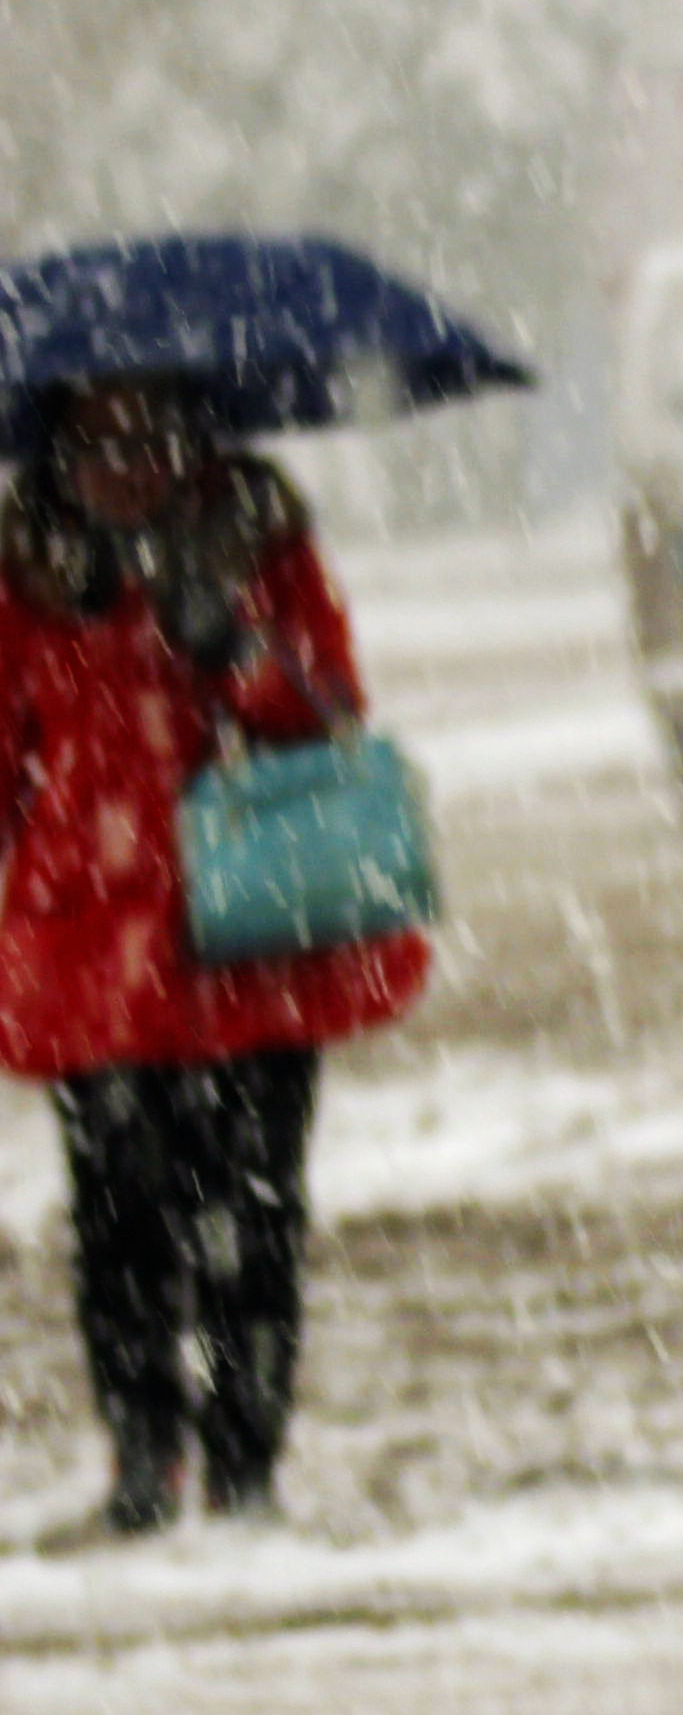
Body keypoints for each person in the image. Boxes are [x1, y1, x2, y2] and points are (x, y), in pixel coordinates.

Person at [0, 371, 426, 1537]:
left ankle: (244, 1466)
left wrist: (236, 647)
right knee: (118, 1222)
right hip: (93, 954)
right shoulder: (21, 571)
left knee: (254, 1215)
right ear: (59, 444)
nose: (126, 462)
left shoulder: (256, 541)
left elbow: (332, 707)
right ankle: (145, 1463)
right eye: (100, 437)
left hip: (253, 939)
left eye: (149, 433)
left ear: (191, 433)